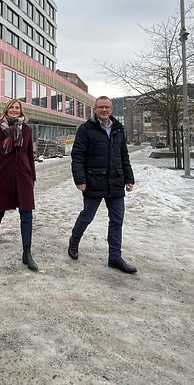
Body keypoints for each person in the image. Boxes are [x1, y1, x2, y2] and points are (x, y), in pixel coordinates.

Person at [68, 96, 137, 274]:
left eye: (107, 107)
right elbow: (77, 156)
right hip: (94, 181)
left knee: (117, 220)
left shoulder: (118, 129)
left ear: (111, 109)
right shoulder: (85, 129)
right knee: (87, 216)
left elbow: (124, 156)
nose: (104, 110)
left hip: (115, 181)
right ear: (95, 109)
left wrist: (129, 179)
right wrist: (80, 179)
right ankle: (74, 242)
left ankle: (115, 257)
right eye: (101, 107)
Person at [0, 99, 38, 271]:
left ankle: (27, 252)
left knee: (27, 215)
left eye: (17, 108)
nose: (15, 110)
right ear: (7, 110)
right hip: (3, 177)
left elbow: (30, 154)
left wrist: (32, 177)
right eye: (12, 108)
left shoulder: (27, 129)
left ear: (21, 111)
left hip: (24, 177)